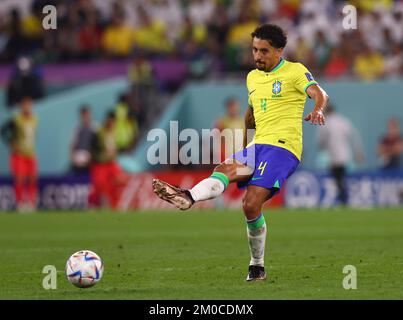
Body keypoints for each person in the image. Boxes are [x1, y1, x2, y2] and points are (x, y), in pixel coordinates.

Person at [152, 24, 329, 281]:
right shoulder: (252, 78)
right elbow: (251, 112)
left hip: (283, 147)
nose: (257, 56)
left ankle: (257, 265)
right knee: (223, 170)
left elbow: (319, 93)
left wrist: (319, 109)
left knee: (250, 204)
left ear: (279, 51)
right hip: (257, 146)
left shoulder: (295, 71)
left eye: (264, 51)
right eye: (254, 49)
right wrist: (246, 136)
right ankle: (188, 197)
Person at [316, 105, 364, 205]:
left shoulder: (326, 122)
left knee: (339, 179)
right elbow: (355, 137)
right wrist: (358, 152)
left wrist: (323, 146)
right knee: (341, 178)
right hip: (346, 156)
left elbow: (320, 142)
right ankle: (343, 198)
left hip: (334, 157)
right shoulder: (343, 121)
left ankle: (343, 199)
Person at [1, 97, 38, 211]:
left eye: (29, 105)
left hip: (30, 154)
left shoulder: (34, 119)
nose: (27, 107)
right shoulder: (16, 119)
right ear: (21, 106)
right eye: (25, 105)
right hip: (19, 155)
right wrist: (11, 143)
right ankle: (20, 202)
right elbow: (3, 131)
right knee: (20, 178)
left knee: (32, 178)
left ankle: (31, 202)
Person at [89, 111, 126, 209]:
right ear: (108, 120)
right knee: (100, 187)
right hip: (100, 164)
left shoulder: (114, 132)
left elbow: (115, 148)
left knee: (121, 179)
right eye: (111, 121)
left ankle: (112, 202)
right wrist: (102, 156)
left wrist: (114, 152)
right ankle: (97, 205)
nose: (112, 124)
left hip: (110, 163)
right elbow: (93, 150)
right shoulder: (99, 133)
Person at [214, 97, 245, 161]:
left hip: (240, 152)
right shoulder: (221, 121)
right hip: (227, 153)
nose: (234, 109)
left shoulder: (242, 121)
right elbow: (217, 137)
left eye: (235, 106)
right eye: (231, 106)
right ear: (228, 107)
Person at [70, 106, 96, 175]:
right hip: (79, 157)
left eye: (86, 114)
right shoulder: (78, 129)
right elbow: (72, 145)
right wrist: (72, 157)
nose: (85, 117)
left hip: (91, 157)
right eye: (83, 115)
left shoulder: (95, 128)